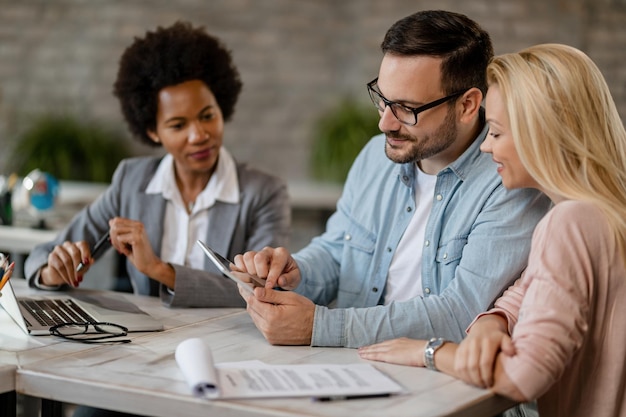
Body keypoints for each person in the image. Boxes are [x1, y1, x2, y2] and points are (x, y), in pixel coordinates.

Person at [233, 9, 551, 348]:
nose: (386, 123)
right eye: (383, 100)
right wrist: (291, 272)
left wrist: (321, 327)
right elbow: (338, 250)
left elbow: (462, 316)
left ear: (467, 105)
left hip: (439, 383)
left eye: (407, 108)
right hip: (350, 368)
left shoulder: (511, 180)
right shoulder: (375, 155)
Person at [358, 43, 626, 417]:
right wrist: (495, 320)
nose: (485, 147)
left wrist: (429, 351)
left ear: (542, 134)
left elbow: (524, 377)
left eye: (497, 133)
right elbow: (533, 286)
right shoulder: (602, 215)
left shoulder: (569, 223)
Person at [24, 21, 290, 308]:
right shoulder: (132, 181)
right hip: (145, 343)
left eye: (207, 116)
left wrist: (158, 269)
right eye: (178, 125)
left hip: (227, 344)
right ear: (152, 131)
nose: (199, 135)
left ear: (222, 108)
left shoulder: (263, 193)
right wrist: (54, 270)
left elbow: (263, 290)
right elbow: (42, 255)